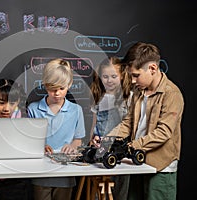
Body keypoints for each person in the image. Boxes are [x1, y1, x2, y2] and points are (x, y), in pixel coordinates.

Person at [92, 42, 184, 200]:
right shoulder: (138, 92)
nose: (132, 81)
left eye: (136, 75)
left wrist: (132, 146)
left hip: (160, 168)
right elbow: (127, 124)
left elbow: (163, 132)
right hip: (138, 165)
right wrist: (107, 141)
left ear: (153, 69)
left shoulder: (172, 94)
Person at [27, 58, 86, 200]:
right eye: (52, 89)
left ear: (69, 84)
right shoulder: (33, 109)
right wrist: (40, 146)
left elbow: (78, 140)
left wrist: (72, 146)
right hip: (40, 172)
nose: (57, 93)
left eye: (62, 88)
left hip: (65, 171)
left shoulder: (76, 110)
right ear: (45, 85)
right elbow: (29, 141)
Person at [90, 56, 133, 200]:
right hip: (101, 150)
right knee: (100, 191)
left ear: (122, 76)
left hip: (122, 152)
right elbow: (94, 124)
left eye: (114, 76)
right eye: (105, 76)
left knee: (120, 191)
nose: (109, 80)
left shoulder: (129, 97)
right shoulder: (98, 97)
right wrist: (92, 138)